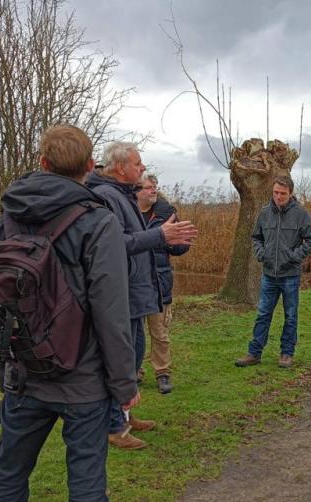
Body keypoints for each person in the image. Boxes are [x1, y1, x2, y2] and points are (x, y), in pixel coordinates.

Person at [0, 124, 139, 501]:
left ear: (42, 162)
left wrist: (2, 365)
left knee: (9, 476)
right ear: (90, 165)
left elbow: (1, 295)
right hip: (82, 377)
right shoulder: (98, 221)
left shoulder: (10, 214)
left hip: (24, 370)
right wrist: (124, 383)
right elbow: (112, 311)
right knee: (86, 484)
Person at [86, 142, 197, 449]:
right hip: (122, 292)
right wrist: (160, 235)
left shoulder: (121, 195)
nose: (143, 168)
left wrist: (168, 238)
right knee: (124, 359)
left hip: (134, 291)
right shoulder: (107, 196)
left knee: (133, 355)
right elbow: (115, 244)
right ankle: (114, 426)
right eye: (138, 164)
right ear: (120, 168)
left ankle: (125, 416)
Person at [235, 176, 311, 369]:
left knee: (290, 315)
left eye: (282, 193)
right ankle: (254, 353)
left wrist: (294, 256)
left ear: (290, 193)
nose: (278, 196)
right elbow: (256, 237)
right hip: (268, 275)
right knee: (263, 314)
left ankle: (286, 354)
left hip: (290, 274)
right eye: (275, 193)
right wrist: (261, 253)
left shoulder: (300, 214)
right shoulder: (265, 213)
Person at [136, 172, 190, 394]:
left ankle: (163, 373)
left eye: (155, 186)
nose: (153, 190)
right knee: (132, 333)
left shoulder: (166, 213)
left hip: (159, 283)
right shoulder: (126, 214)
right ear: (137, 191)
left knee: (160, 333)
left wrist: (175, 241)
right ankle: (134, 372)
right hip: (134, 283)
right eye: (149, 187)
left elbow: (180, 248)